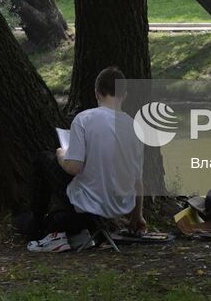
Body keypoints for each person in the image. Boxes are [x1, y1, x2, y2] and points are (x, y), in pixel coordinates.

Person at [24, 66, 144, 252]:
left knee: (43, 159)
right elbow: (138, 181)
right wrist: (138, 216)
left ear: (97, 93)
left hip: (89, 202)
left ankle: (37, 229)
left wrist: (61, 154)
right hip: (120, 207)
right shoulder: (135, 127)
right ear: (124, 95)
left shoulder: (85, 119)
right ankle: (79, 230)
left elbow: (74, 168)